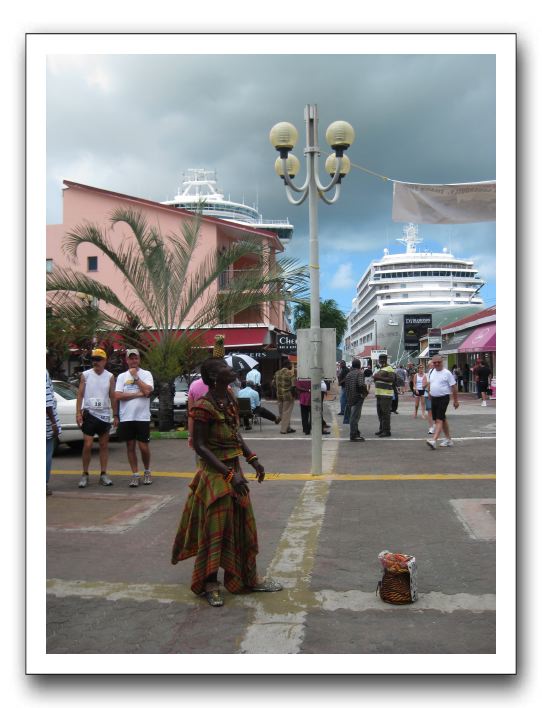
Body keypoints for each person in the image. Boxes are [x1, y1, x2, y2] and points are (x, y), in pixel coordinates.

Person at [171, 357, 283, 607]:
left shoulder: (230, 398)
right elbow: (200, 446)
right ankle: (210, 583)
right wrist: (229, 475)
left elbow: (235, 434)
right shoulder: (203, 406)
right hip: (215, 475)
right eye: (224, 367)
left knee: (244, 526)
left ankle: (248, 578)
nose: (230, 369)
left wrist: (253, 459)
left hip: (234, 469)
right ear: (213, 377)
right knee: (215, 530)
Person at [75, 348, 118, 488]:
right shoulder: (85, 375)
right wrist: (78, 413)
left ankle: (103, 474)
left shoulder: (110, 376)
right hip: (90, 413)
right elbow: (80, 394)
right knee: (87, 445)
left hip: (104, 414)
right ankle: (85, 474)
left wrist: (116, 414)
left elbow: (112, 396)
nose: (96, 362)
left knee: (104, 445)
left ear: (105, 361)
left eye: (99, 360)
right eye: (94, 359)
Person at [115, 349, 154, 487]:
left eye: (136, 358)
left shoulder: (146, 374)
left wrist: (136, 377)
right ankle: (135, 474)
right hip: (127, 417)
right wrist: (138, 394)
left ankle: (147, 471)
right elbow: (117, 395)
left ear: (139, 360)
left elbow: (148, 391)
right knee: (130, 446)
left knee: (143, 447)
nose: (133, 361)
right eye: (131, 358)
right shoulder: (121, 377)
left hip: (142, 417)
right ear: (127, 360)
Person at [425, 355, 459, 449]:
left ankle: (434, 440)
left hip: (444, 398)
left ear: (442, 362)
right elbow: (430, 383)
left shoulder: (447, 373)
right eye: (434, 362)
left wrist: (456, 401)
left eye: (438, 362)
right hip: (434, 398)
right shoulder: (431, 372)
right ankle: (448, 439)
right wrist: (429, 392)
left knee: (438, 420)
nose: (436, 364)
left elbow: (454, 387)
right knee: (442, 419)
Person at [46, 352, 61, 496]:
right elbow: (47, 401)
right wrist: (54, 423)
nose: (54, 362)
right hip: (46, 423)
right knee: (46, 454)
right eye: (52, 359)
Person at [344, 358, 367, 441]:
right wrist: (365, 392)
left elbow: (346, 387)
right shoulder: (359, 373)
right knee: (355, 417)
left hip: (350, 397)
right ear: (359, 365)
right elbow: (361, 385)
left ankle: (356, 432)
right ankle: (353, 435)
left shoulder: (349, 374)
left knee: (353, 416)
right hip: (358, 397)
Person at [373, 353, 395, 437]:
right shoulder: (379, 369)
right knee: (380, 413)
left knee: (385, 413)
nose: (381, 360)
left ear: (386, 359)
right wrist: (375, 379)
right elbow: (377, 379)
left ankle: (386, 431)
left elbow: (392, 379)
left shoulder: (389, 368)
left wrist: (378, 378)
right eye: (380, 359)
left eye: (383, 358)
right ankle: (381, 429)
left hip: (386, 394)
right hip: (379, 394)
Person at [272, 360, 296, 434]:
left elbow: (273, 383)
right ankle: (283, 430)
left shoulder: (277, 373)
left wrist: (279, 389)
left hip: (279, 395)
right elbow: (293, 386)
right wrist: (294, 394)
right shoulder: (290, 373)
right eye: (290, 365)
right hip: (288, 395)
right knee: (286, 412)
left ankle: (288, 428)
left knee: (282, 412)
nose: (291, 366)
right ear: (288, 365)